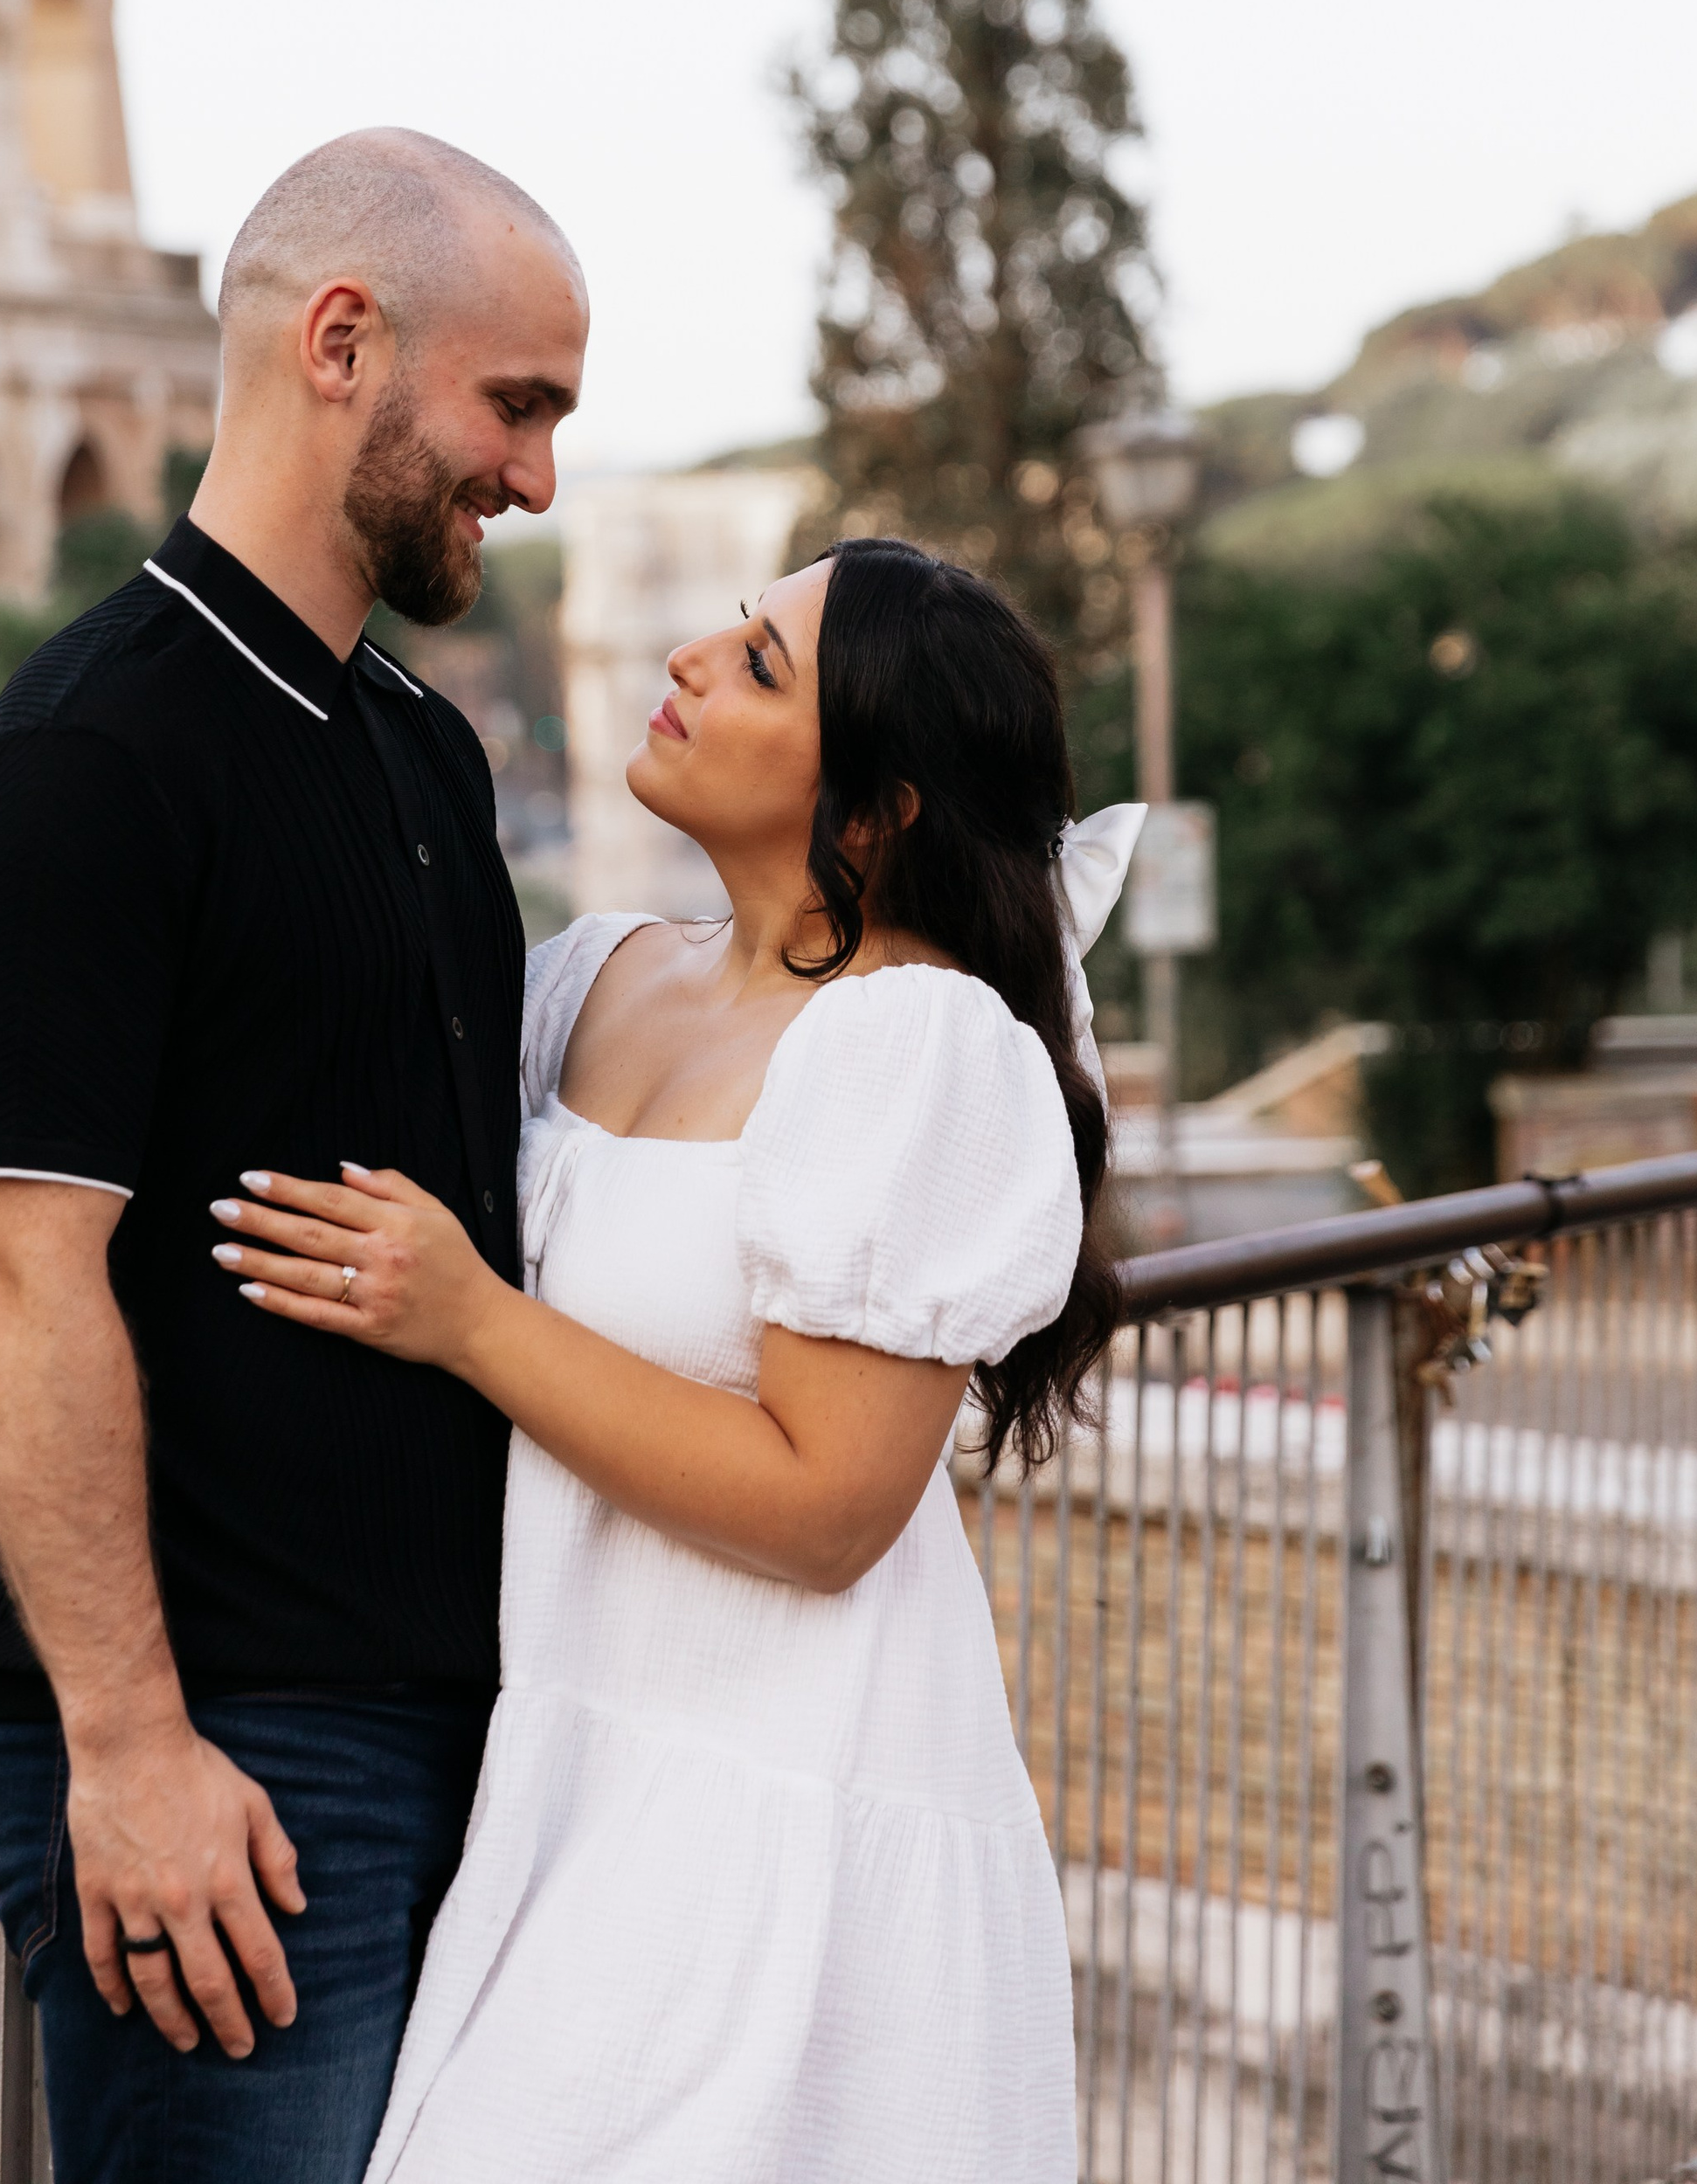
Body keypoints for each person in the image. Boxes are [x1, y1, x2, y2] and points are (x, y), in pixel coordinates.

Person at [213, 533, 1144, 2182]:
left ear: (877, 809)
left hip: (784, 1800)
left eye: (764, 665)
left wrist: (474, 1319)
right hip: (563, 1770)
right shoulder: (590, 982)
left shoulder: (913, 1043)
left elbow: (830, 1510)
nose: (697, 662)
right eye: (731, 629)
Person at [0, 128, 589, 2184]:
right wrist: (128, 1751)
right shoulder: (89, 759)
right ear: (339, 344)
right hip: (225, 1767)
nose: (537, 477)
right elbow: (12, 1276)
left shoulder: (417, 750)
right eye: (517, 406)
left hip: (471, 1725)